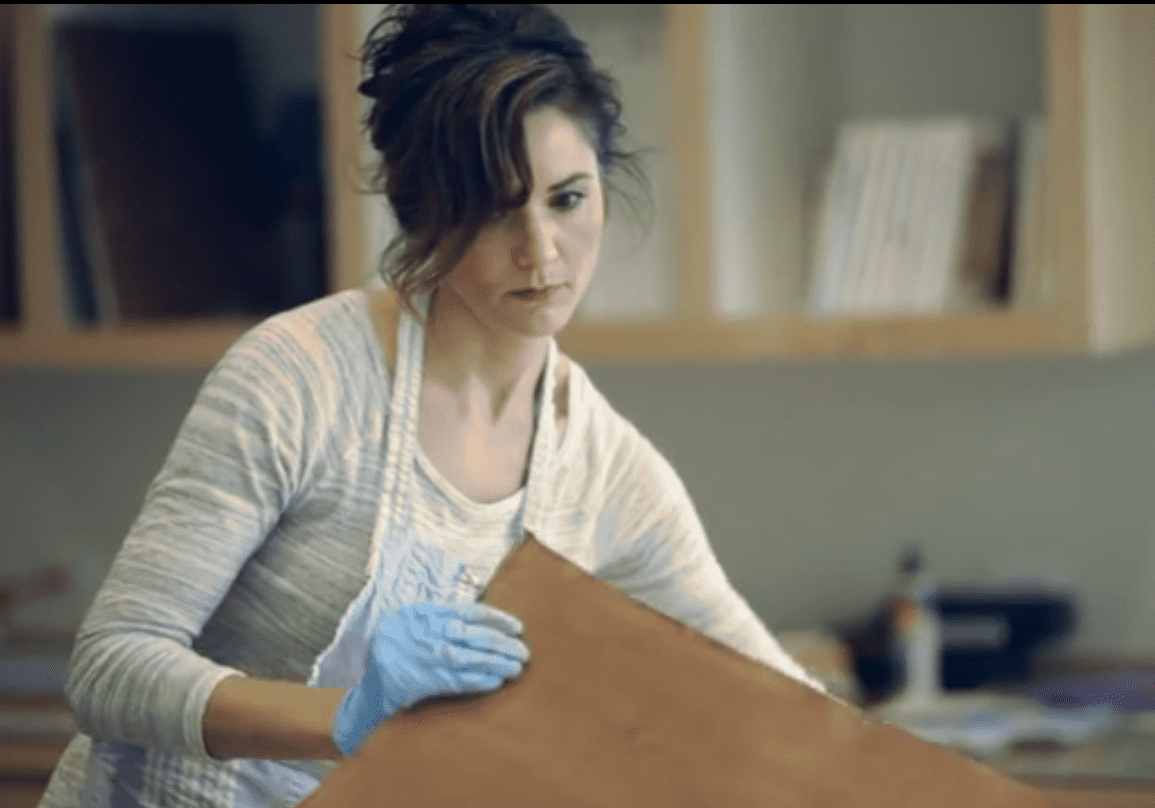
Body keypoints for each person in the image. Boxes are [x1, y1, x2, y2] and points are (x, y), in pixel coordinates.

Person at [39, 5, 823, 807]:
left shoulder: (602, 472)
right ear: (423, 215)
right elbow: (110, 665)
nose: (541, 250)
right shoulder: (302, 379)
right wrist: (347, 719)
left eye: (566, 198)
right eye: (491, 206)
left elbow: (779, 703)